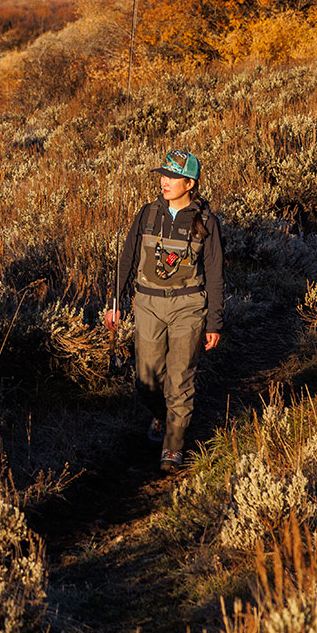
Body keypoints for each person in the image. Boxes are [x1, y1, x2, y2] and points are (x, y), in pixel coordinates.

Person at [103, 149, 224, 471]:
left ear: (190, 183)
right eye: (163, 175)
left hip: (189, 306)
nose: (164, 181)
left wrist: (214, 322)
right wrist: (114, 304)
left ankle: (173, 445)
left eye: (172, 177)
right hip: (148, 304)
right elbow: (126, 260)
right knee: (146, 380)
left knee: (180, 380)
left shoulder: (207, 221)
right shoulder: (147, 213)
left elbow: (214, 274)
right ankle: (161, 415)